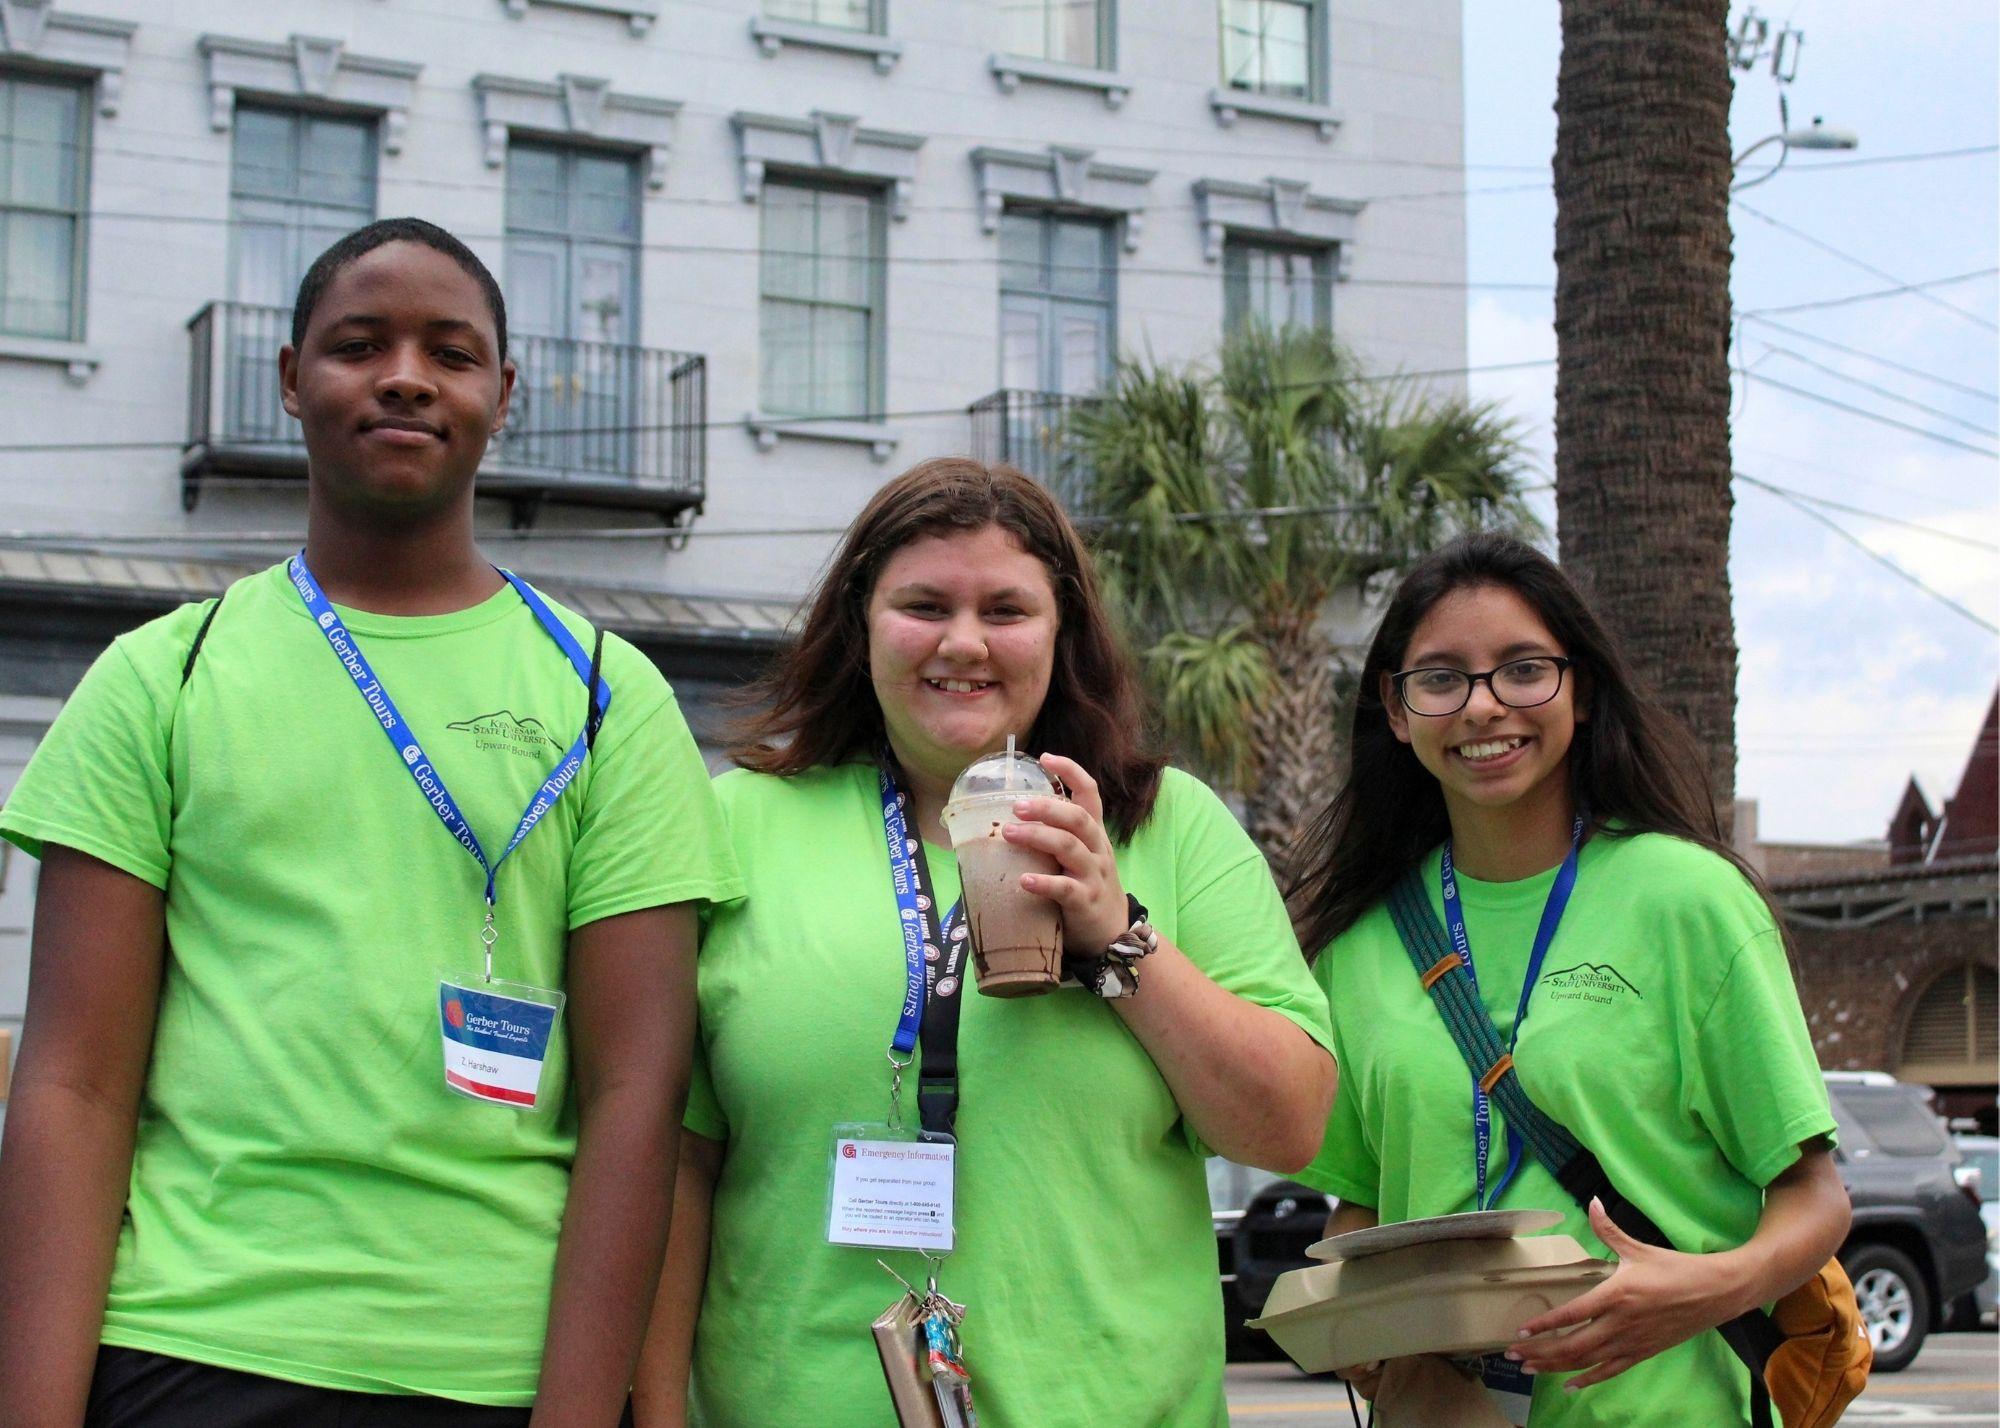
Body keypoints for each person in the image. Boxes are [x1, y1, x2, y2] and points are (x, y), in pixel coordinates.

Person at [0, 219, 741, 1425]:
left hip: (491, 1369)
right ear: (291, 378)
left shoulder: (610, 699)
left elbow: (633, 1099)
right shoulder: (161, 678)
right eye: (359, 344)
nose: (404, 374)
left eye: (450, 352)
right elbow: (74, 1084)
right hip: (190, 1349)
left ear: (504, 397)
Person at [631, 458, 1337, 1427]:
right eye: (923, 604)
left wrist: (1117, 936)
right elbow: (677, 1164)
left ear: (1061, 633)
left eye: (1005, 610)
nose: (962, 643)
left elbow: (1285, 1127)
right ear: (860, 622)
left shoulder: (1168, 826)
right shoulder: (738, 824)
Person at [1287, 532, 1852, 1425]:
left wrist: (1705, 1289)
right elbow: (1360, 1205)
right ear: (1397, 713)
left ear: (1579, 690)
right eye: (1440, 679)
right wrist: (1358, 1323)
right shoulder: (1358, 945)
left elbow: (1813, 1194)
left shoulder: (1686, 899)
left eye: (1522, 669)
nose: (1484, 707)